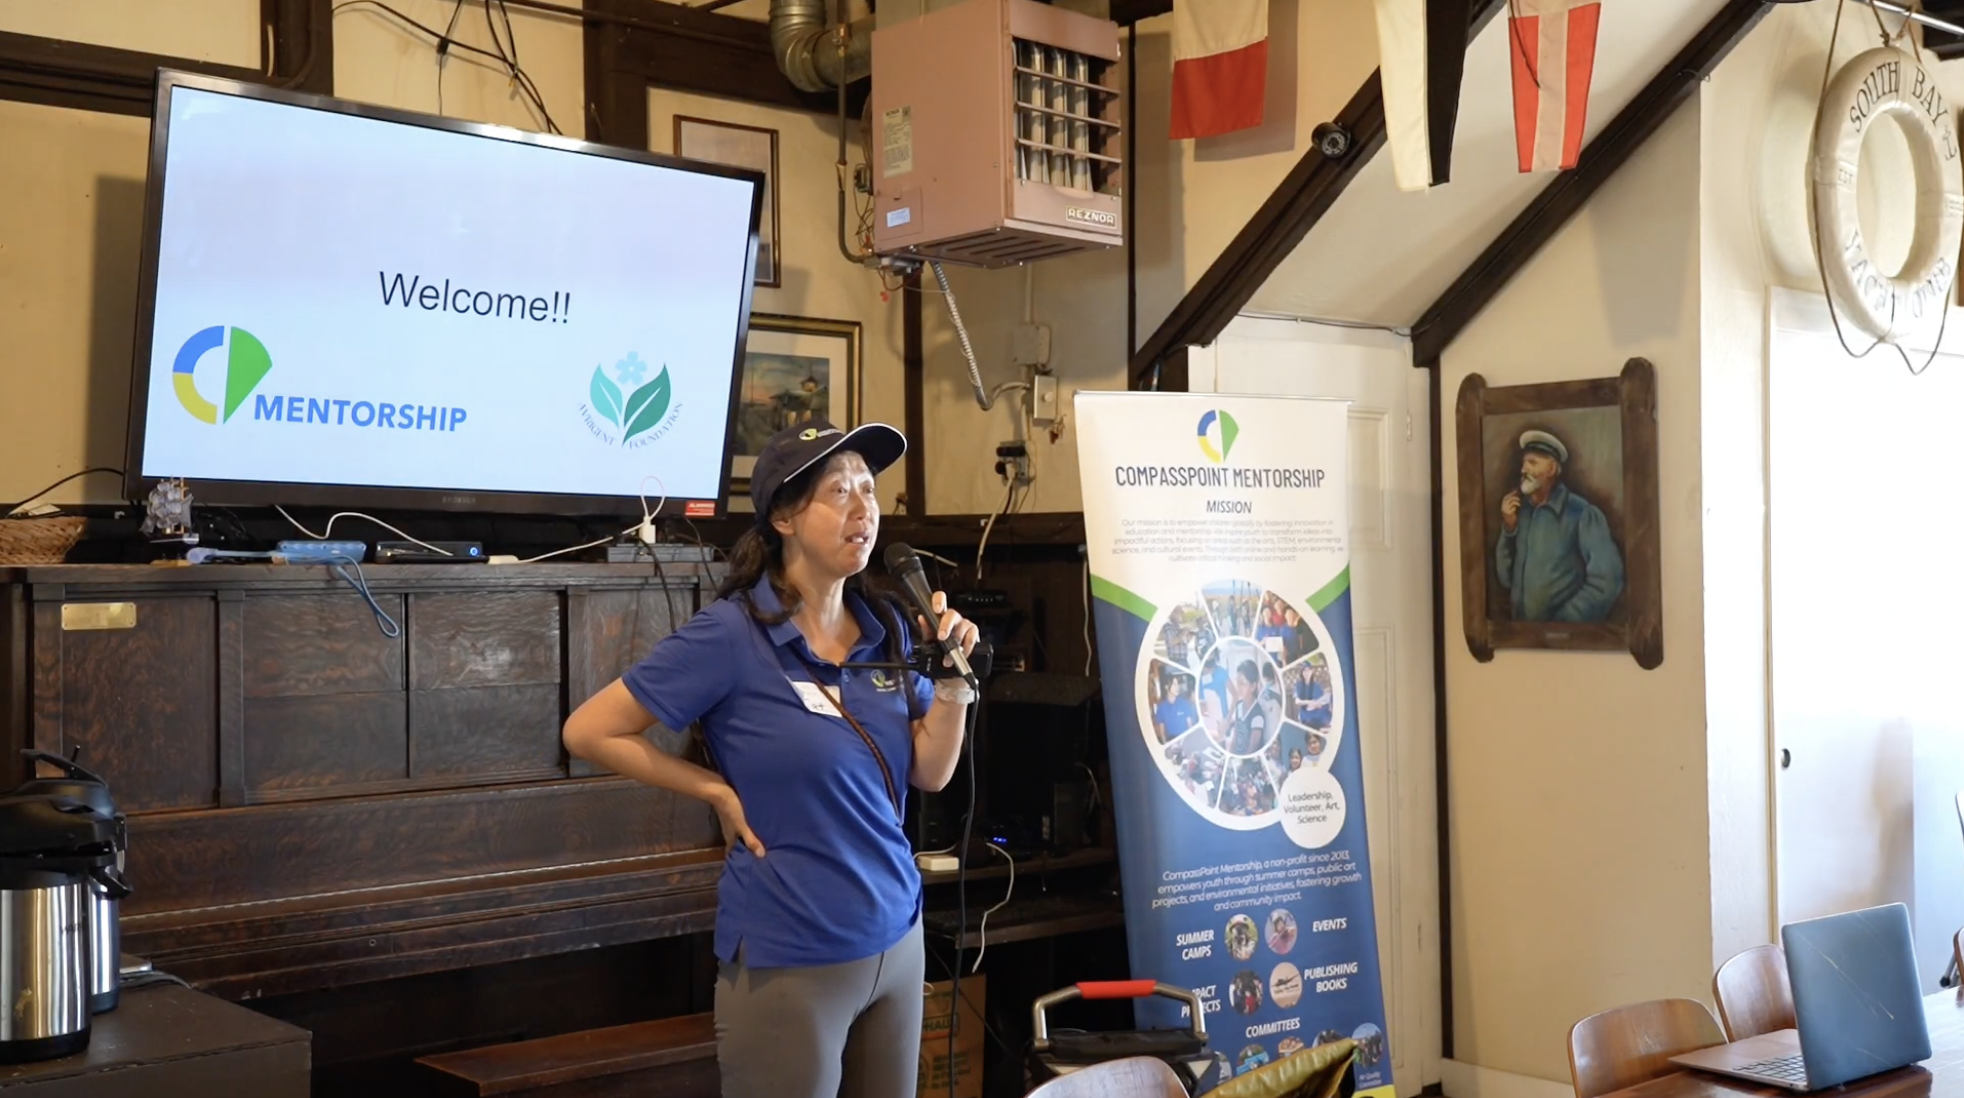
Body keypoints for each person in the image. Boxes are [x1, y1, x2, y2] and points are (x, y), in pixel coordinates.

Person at [561, 420, 980, 1098]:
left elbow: (930, 772)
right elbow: (589, 730)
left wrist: (957, 681)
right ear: (785, 515)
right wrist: (713, 790)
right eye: (839, 489)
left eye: (869, 490)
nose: (863, 508)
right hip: (793, 953)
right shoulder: (731, 634)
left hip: (898, 945)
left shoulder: (891, 627)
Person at [1495, 429, 1626, 622]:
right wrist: (1509, 529)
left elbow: (1608, 581)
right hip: (1521, 638)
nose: (1524, 470)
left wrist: (1565, 622)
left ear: (1552, 470)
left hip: (1566, 642)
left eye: (1532, 463)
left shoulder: (1582, 513)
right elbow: (1505, 579)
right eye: (1524, 463)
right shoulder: (1520, 512)